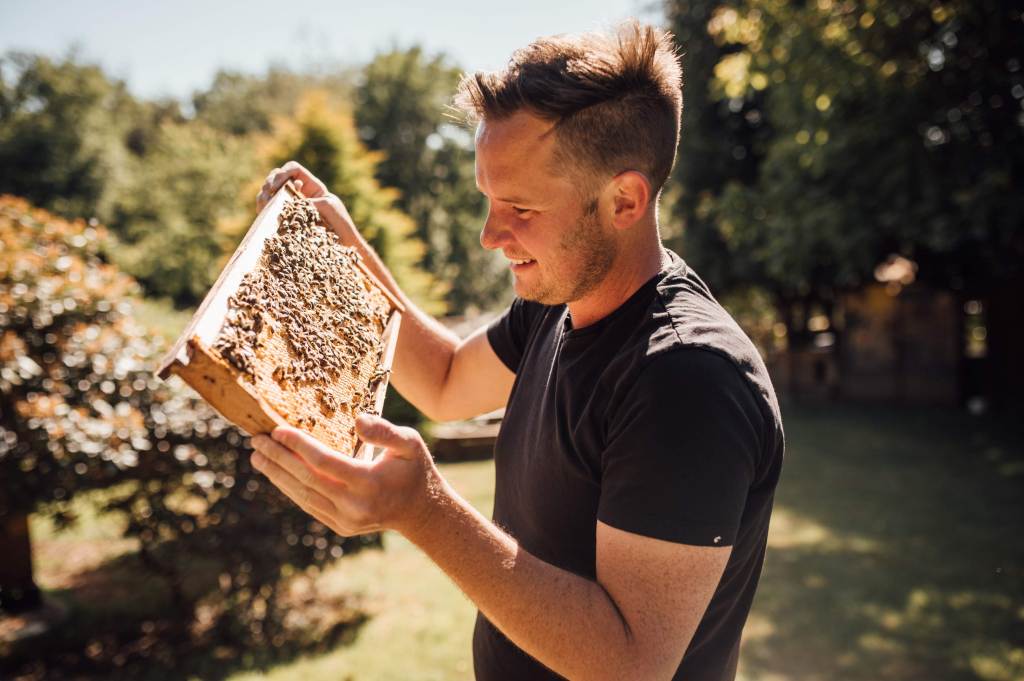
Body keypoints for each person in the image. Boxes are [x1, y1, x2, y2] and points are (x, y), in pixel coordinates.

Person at [250, 20, 783, 681]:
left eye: (520, 208)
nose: (489, 234)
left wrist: (424, 511)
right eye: (487, 199)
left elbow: (633, 663)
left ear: (624, 199)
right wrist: (337, 244)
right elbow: (444, 380)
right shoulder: (552, 305)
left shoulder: (687, 379)